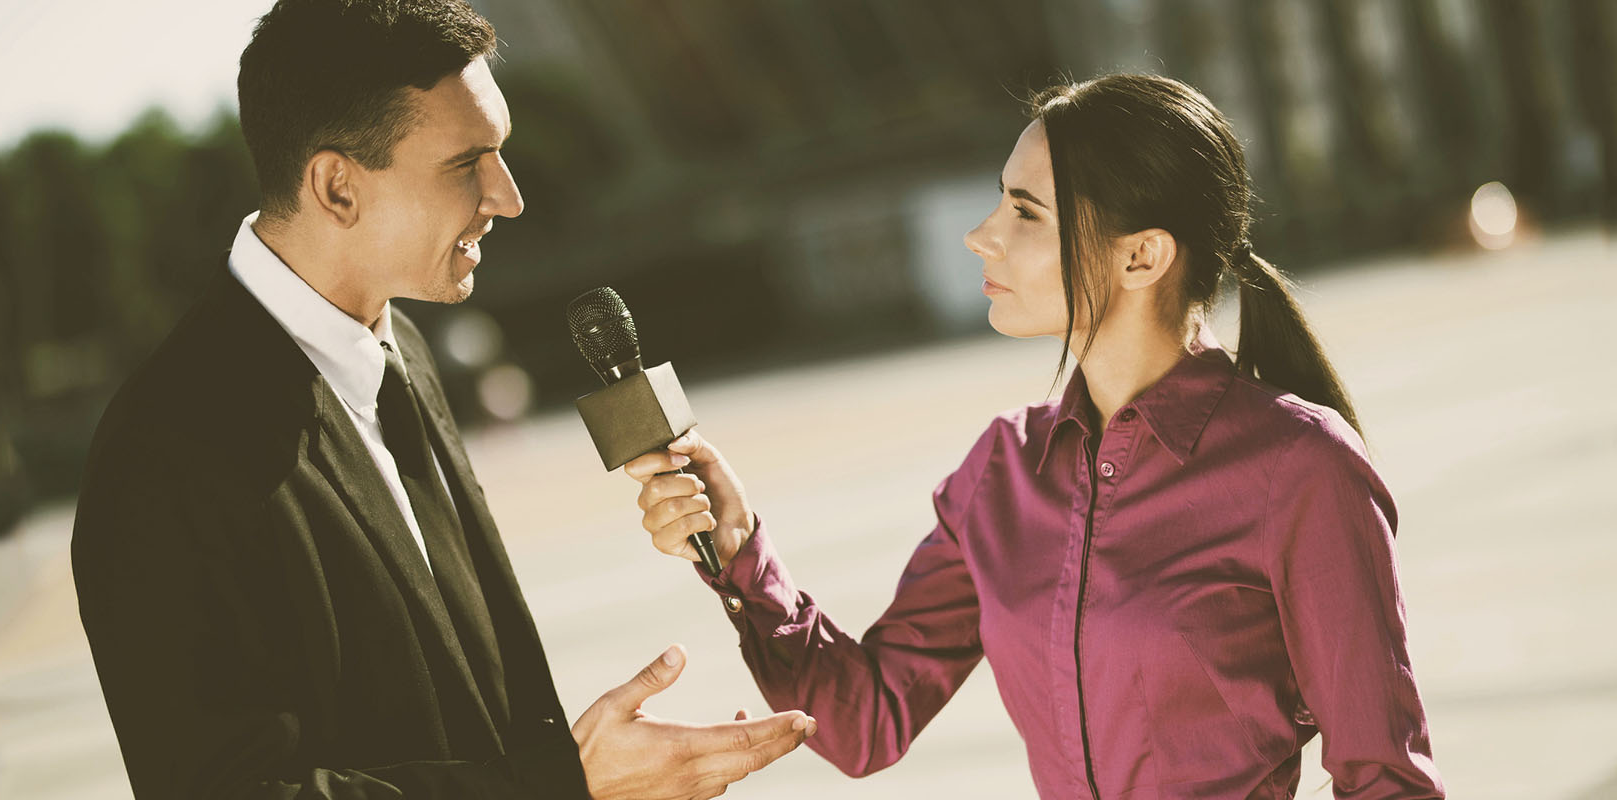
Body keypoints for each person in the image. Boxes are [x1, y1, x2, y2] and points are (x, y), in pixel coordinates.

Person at [624, 74, 1446, 799]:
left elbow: (1386, 780)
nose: (982, 235)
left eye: (1024, 210)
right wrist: (736, 552)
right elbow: (866, 719)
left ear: (1142, 257)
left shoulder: (1300, 467)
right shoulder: (1003, 473)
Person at [70, 1, 813, 797]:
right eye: (468, 163)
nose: (509, 196)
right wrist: (562, 787)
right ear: (337, 187)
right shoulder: (160, 455)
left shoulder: (403, 354)